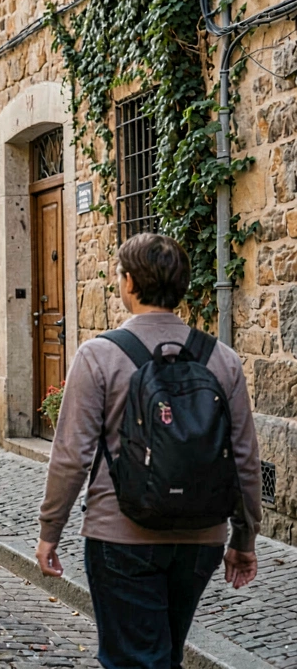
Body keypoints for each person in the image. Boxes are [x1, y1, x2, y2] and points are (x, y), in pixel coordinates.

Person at [37, 233, 261, 668]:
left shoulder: (98, 355)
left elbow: (71, 455)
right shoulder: (223, 360)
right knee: (165, 655)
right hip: (200, 538)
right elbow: (245, 460)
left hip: (120, 534)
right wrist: (244, 537)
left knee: (134, 659)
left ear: (129, 283)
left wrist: (50, 530)